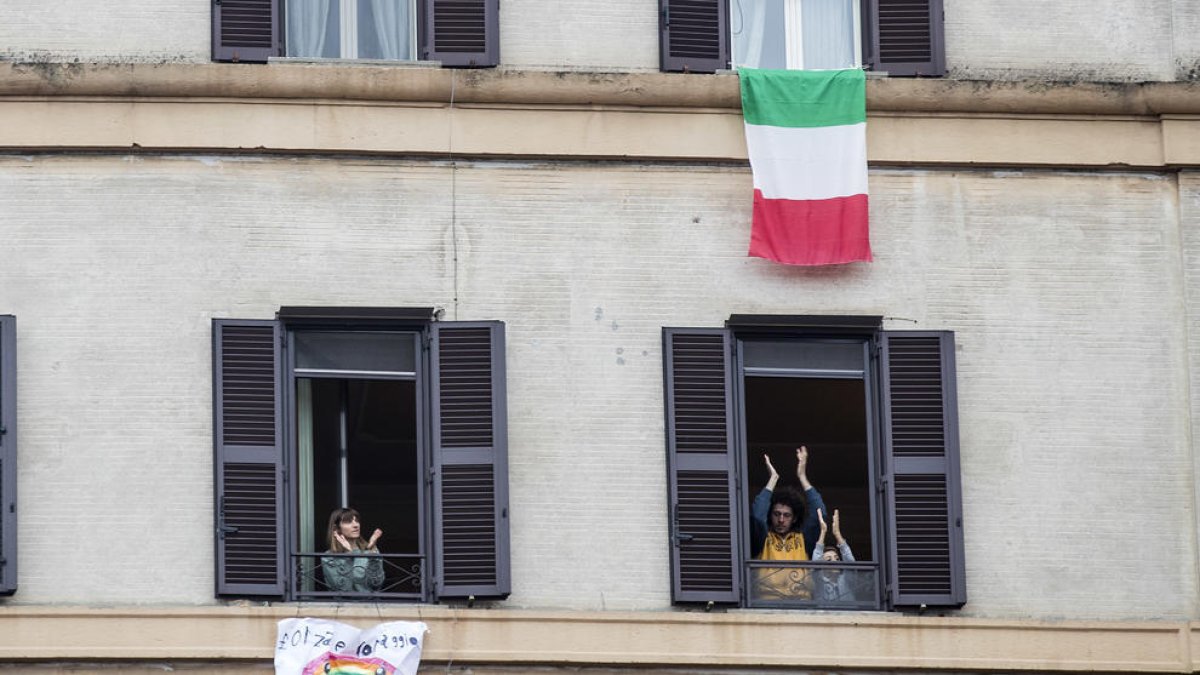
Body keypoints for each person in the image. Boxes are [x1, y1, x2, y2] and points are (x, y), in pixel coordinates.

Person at [750, 446, 827, 599]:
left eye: (787, 515)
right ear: (770, 514)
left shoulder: (803, 539)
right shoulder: (763, 538)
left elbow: (820, 514)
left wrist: (802, 477)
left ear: (795, 518)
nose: (781, 520)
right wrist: (773, 480)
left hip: (802, 605)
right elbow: (757, 517)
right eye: (776, 514)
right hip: (766, 604)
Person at [321, 507, 385, 593]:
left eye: (356, 520)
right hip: (343, 606)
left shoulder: (369, 552)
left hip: (372, 605)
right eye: (348, 521)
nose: (356, 525)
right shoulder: (329, 557)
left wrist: (372, 554)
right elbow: (344, 590)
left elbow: (376, 585)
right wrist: (350, 554)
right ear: (336, 529)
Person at [813, 507, 857, 602]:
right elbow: (815, 564)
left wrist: (837, 533)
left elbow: (850, 562)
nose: (834, 561)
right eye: (829, 559)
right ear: (822, 567)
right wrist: (823, 532)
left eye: (837, 559)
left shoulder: (846, 579)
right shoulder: (819, 583)